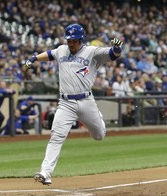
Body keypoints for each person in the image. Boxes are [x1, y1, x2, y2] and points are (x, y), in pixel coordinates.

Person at [25, 23, 123, 185]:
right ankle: (45, 172)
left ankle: (99, 120)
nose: (71, 43)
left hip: (86, 101)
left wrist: (117, 48)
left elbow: (113, 54)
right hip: (66, 103)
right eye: (69, 40)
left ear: (81, 39)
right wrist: (33, 58)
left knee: (98, 136)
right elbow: (49, 54)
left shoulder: (92, 51)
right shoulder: (62, 49)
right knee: (56, 137)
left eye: (74, 40)